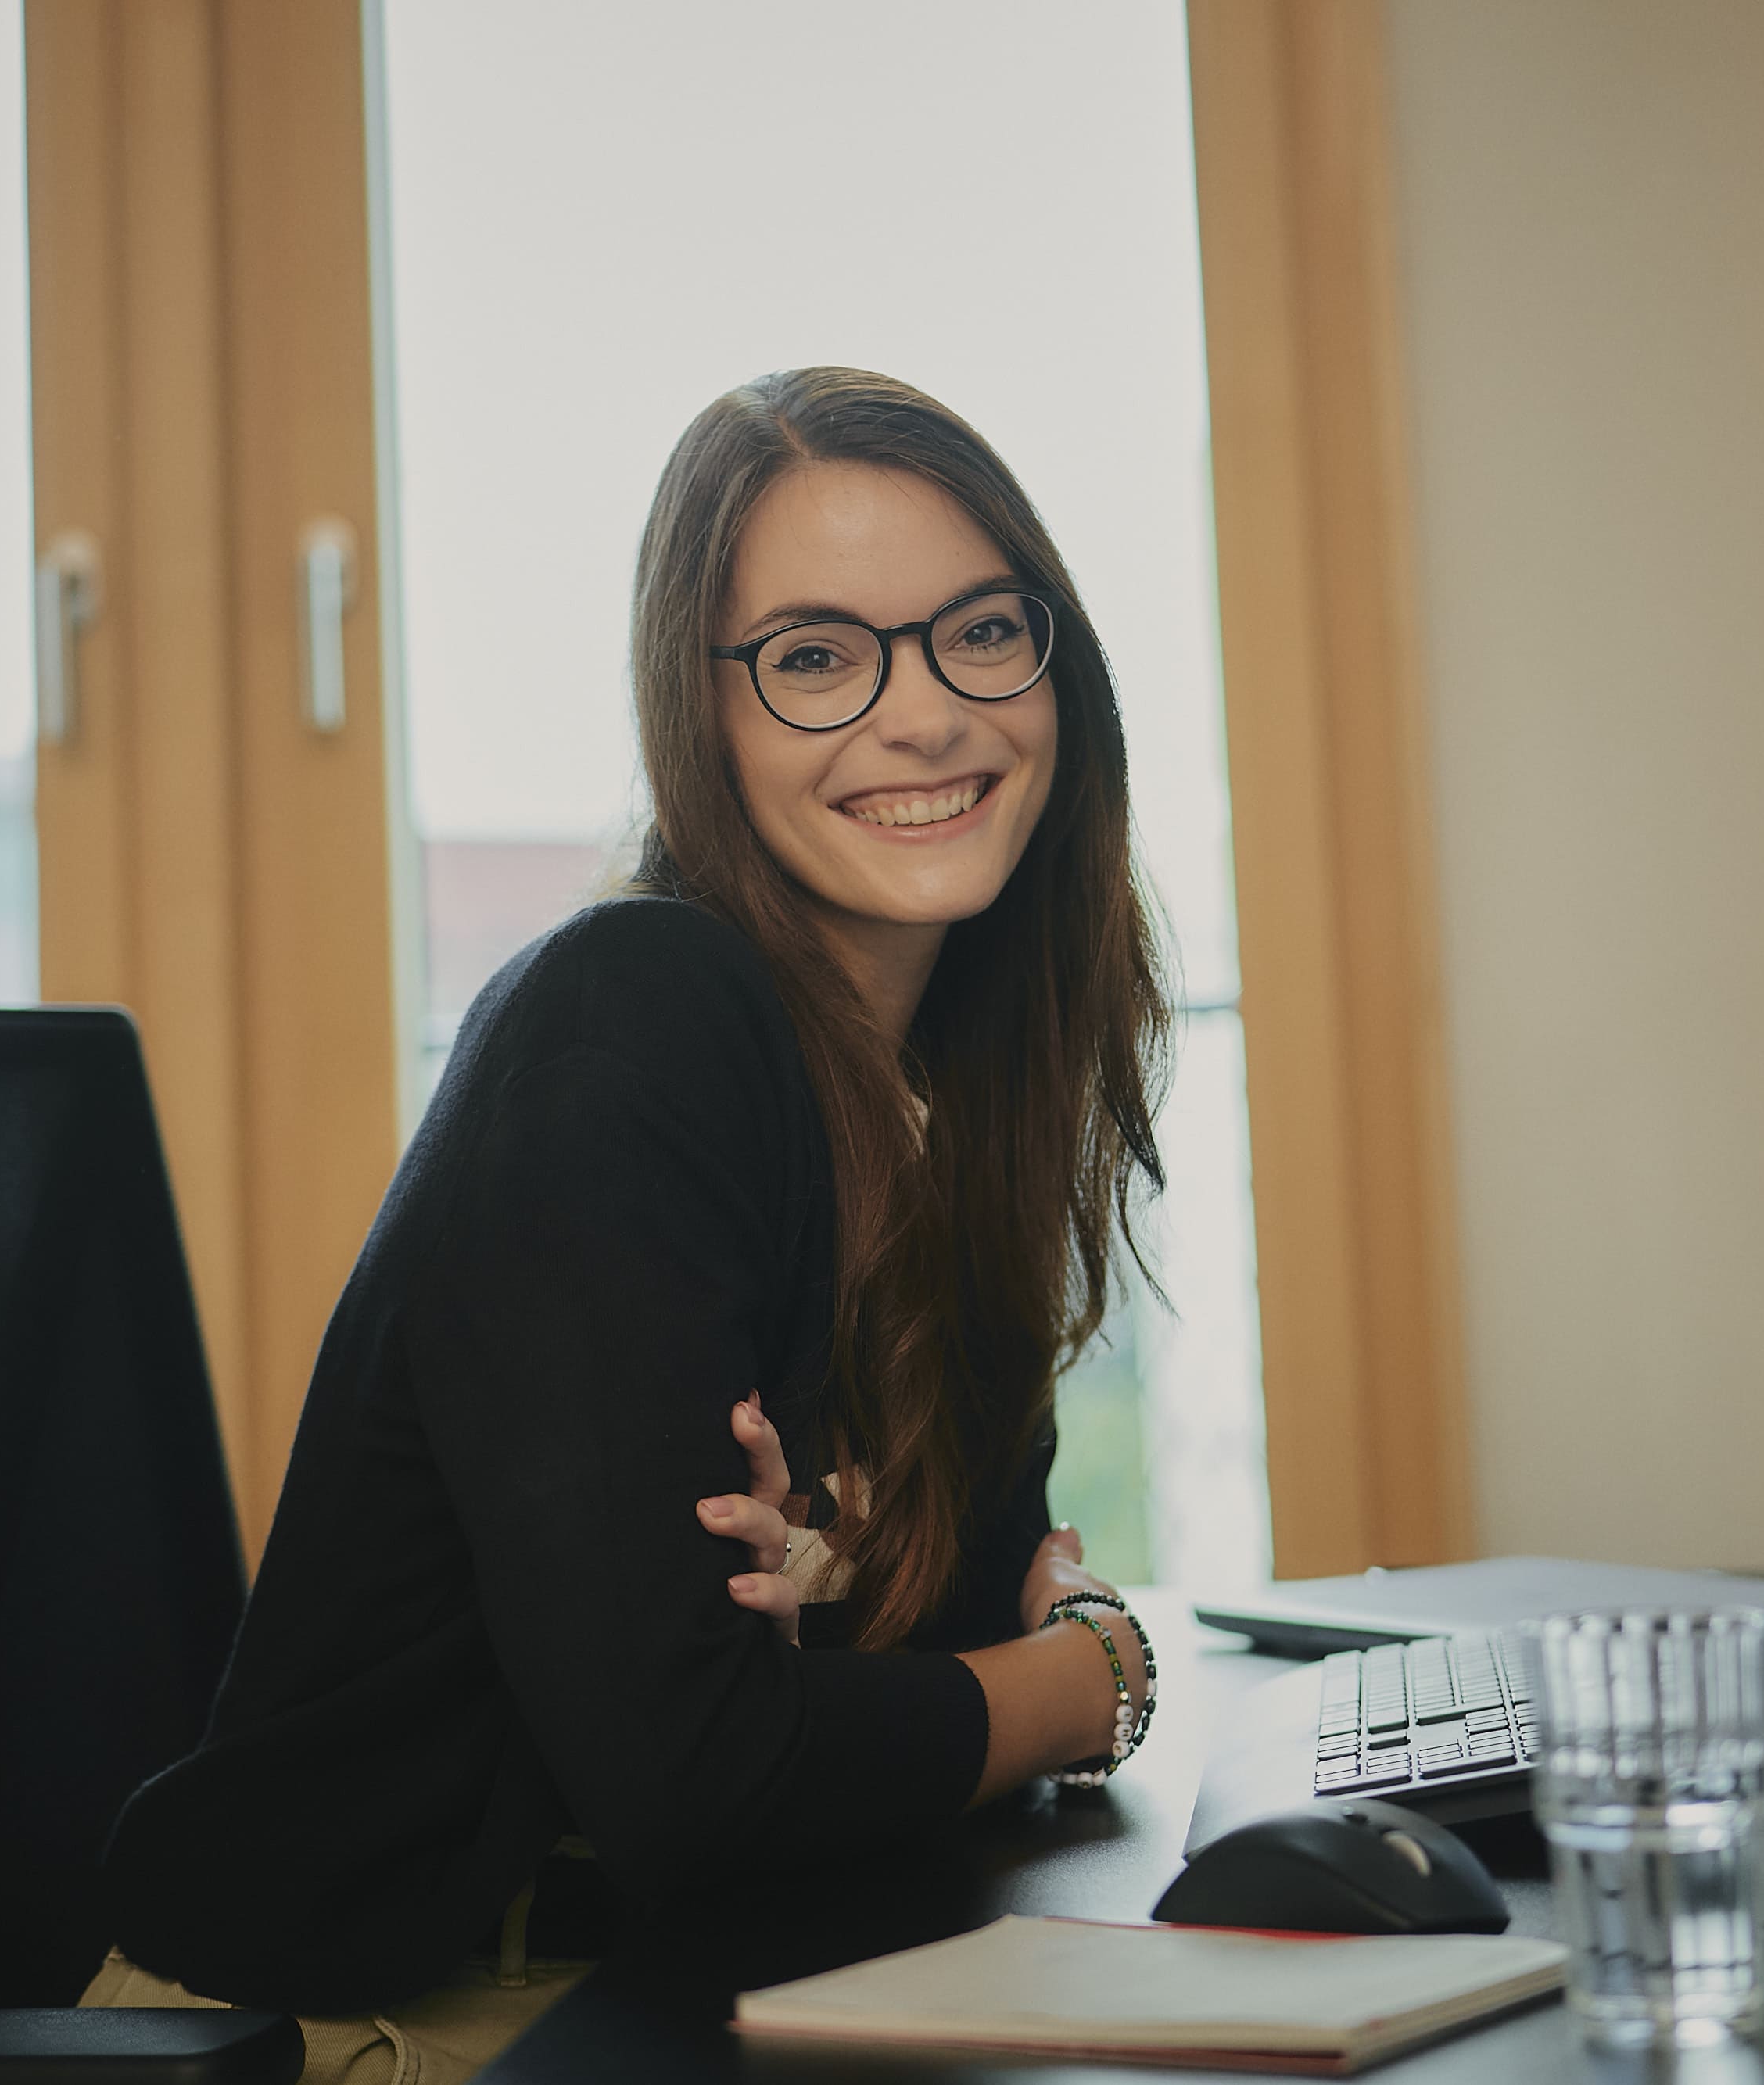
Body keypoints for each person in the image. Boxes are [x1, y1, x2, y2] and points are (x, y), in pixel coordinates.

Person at [82, 367, 1171, 2082]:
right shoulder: (632, 1021)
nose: (924, 714)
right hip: (393, 2028)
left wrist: (889, 1669)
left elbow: (942, 1641)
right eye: (816, 657)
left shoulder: (956, 1097)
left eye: (980, 632)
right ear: (699, 710)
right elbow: (713, 1777)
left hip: (712, 1990)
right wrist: (1096, 1670)